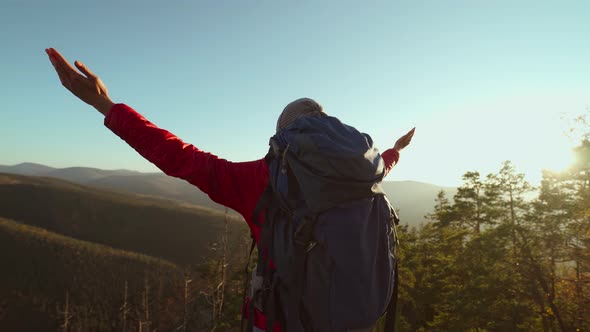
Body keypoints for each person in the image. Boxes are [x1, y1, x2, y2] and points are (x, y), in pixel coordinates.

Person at [45, 47, 415, 331]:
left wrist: (103, 104)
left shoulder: (262, 181)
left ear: (283, 138)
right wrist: (396, 149)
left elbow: (180, 157)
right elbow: (385, 162)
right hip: (353, 318)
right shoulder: (364, 175)